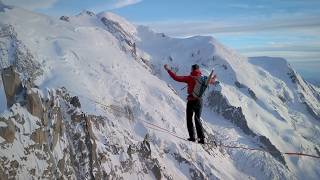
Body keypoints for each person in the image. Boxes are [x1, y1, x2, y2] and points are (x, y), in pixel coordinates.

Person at [164, 64, 216, 144]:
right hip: (200, 101)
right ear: (199, 70)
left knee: (189, 118)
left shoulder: (190, 77)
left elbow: (176, 78)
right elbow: (212, 81)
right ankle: (201, 139)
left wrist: (168, 69)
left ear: (192, 69)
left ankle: (192, 137)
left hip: (191, 100)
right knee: (197, 118)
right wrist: (214, 78)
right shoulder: (203, 78)